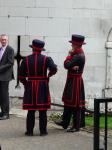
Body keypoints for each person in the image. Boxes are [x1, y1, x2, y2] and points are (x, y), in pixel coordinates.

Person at [19, 39, 57, 136]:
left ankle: (30, 131)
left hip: (31, 85)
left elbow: (21, 76)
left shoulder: (26, 60)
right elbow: (54, 68)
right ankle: (43, 131)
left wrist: (26, 84)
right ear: (41, 49)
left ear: (32, 48)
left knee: (31, 111)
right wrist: (49, 76)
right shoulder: (47, 59)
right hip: (42, 85)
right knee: (42, 110)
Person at [55, 34, 86, 132]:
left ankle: (76, 126)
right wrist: (70, 64)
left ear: (77, 45)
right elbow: (68, 65)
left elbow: (66, 64)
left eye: (73, 44)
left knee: (75, 104)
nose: (71, 46)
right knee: (68, 102)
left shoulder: (78, 56)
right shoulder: (76, 54)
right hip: (72, 80)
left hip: (75, 82)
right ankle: (65, 122)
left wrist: (69, 55)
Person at [0, 34, 14, 120]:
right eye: (2, 40)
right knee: (0, 95)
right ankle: (2, 112)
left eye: (5, 40)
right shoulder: (0, 49)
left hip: (5, 76)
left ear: (7, 40)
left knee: (4, 95)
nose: (3, 41)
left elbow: (10, 62)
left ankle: (6, 114)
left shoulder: (10, 49)